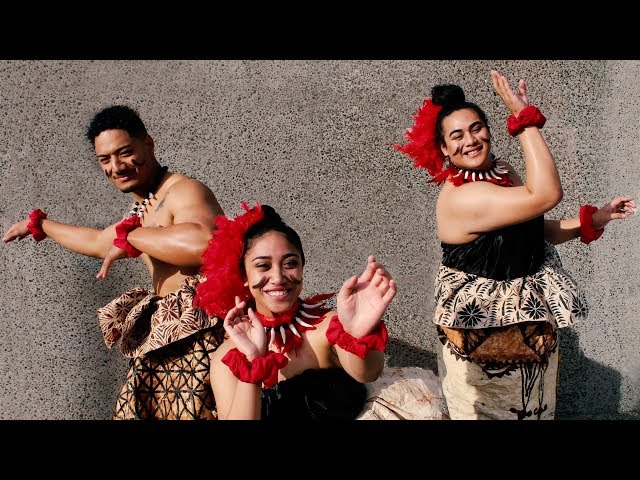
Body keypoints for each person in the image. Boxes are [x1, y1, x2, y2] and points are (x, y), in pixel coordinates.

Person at [394, 70, 636, 420]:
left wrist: (594, 219)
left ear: (488, 131)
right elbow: (546, 194)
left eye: (476, 128)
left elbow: (533, 228)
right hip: (485, 347)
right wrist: (524, 119)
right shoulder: (462, 197)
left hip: (529, 334)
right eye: (457, 136)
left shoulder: (502, 171)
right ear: (444, 148)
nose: (470, 140)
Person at [2, 105, 226, 419]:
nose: (116, 167)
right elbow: (98, 242)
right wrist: (41, 226)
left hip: (203, 335)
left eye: (124, 153)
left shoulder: (183, 191)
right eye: (105, 159)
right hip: (166, 339)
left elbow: (204, 244)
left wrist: (131, 236)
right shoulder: (142, 208)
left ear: (148, 144)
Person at [193, 202, 398, 420]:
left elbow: (368, 373)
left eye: (290, 263)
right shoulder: (227, 358)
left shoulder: (329, 327)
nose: (278, 278)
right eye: (263, 266)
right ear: (244, 276)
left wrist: (357, 333)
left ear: (302, 266)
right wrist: (253, 361)